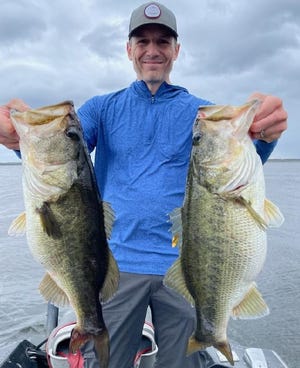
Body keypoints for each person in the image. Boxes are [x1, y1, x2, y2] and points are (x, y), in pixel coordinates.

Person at [0, 2, 288, 368]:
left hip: (185, 268)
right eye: (143, 41)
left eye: (163, 42)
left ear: (176, 51)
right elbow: (63, 162)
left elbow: (240, 168)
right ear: (129, 50)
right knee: (108, 362)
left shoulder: (203, 113)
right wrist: (18, 139)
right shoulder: (102, 108)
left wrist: (265, 132)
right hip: (116, 267)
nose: (153, 50)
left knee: (184, 363)